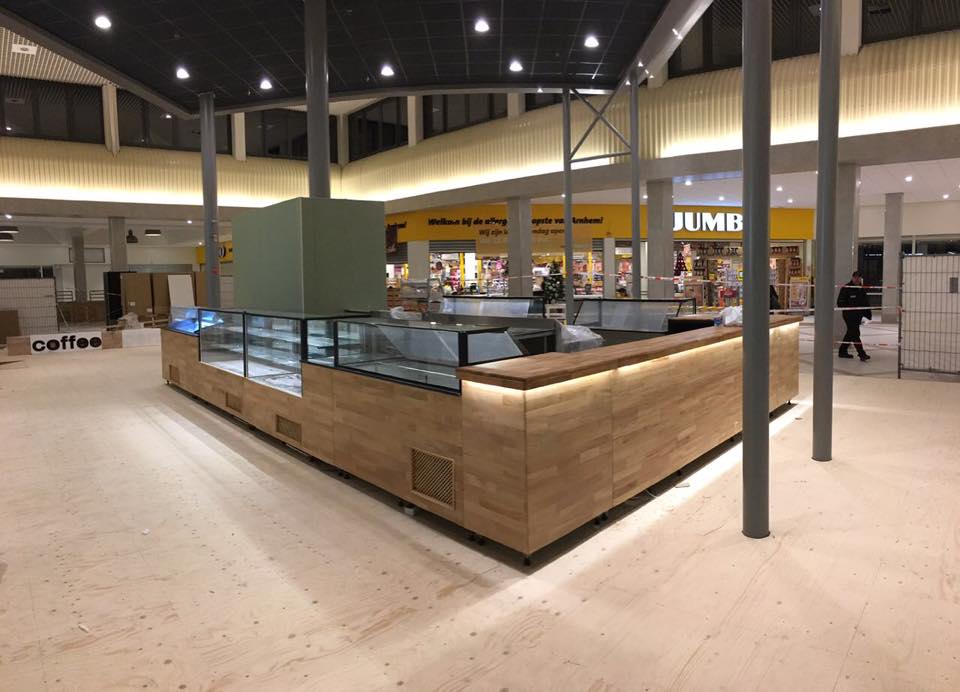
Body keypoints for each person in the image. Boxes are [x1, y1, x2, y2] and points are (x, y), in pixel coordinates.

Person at [836, 270, 872, 361]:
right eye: (855, 277)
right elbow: (840, 302)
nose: (857, 279)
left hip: (858, 316)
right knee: (855, 334)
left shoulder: (861, 289)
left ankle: (842, 351)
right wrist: (849, 308)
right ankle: (862, 354)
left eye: (858, 277)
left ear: (860, 278)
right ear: (852, 278)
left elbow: (865, 302)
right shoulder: (846, 288)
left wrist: (868, 314)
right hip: (849, 316)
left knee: (850, 333)